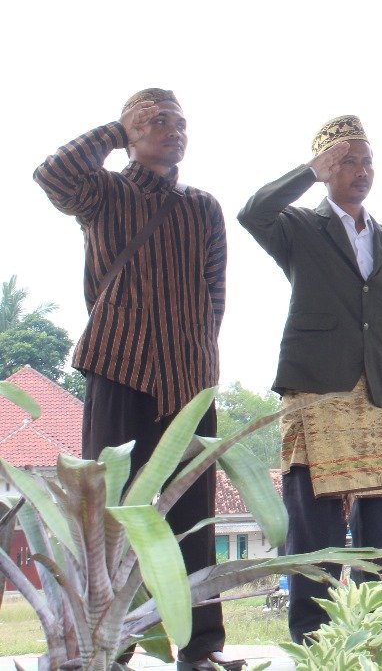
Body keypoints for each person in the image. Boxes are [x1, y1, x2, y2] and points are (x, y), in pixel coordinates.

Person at [34, 89, 241, 671]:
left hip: (188, 377)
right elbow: (51, 174)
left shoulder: (203, 207)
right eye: (156, 120)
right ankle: (109, 649)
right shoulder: (102, 192)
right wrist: (114, 131)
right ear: (131, 129)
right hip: (118, 367)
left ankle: (201, 649)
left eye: (180, 122)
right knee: (106, 514)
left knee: (193, 514)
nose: (173, 130)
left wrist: (198, 354)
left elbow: (215, 293)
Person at [238, 115, 382, 644]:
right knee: (315, 514)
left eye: (367, 161)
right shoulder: (299, 227)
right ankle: (313, 631)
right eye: (347, 161)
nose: (361, 170)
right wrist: (308, 171)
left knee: (376, 512)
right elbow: (252, 212)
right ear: (327, 167)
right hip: (316, 388)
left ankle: (378, 624)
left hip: (375, 389)